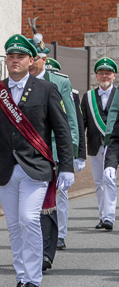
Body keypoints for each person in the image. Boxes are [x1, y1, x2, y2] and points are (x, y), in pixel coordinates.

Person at [0, 35, 74, 287]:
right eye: (11, 57)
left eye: (20, 57)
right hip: (4, 167)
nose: (15, 61)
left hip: (35, 167)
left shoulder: (46, 89)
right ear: (6, 61)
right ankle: (21, 277)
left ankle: (34, 280)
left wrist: (67, 166)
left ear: (31, 61)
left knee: (29, 219)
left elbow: (62, 129)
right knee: (15, 225)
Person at [28, 46, 80, 270]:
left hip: (52, 150)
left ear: (43, 59)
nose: (30, 63)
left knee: (48, 202)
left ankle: (46, 252)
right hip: (25, 152)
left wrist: (72, 156)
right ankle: (32, 251)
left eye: (33, 59)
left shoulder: (59, 82)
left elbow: (70, 121)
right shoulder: (16, 83)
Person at [46, 57, 86, 249]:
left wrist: (77, 154)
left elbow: (75, 122)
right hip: (38, 148)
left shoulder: (64, 87)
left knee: (60, 192)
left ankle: (60, 234)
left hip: (58, 147)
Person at [83, 58, 118, 231]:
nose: (105, 76)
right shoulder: (88, 96)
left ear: (114, 76)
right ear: (96, 76)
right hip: (95, 144)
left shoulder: (118, 94)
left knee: (109, 179)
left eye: (108, 73)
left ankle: (109, 217)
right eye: (101, 73)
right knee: (98, 182)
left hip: (113, 144)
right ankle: (102, 216)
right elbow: (82, 122)